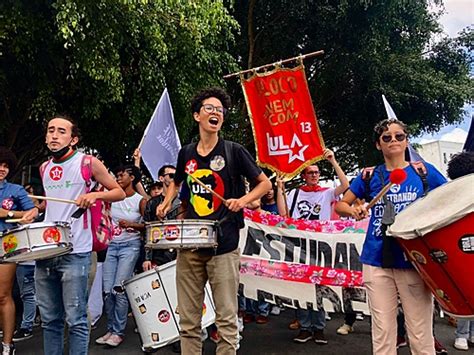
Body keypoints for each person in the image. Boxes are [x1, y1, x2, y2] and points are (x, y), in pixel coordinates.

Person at [157, 87, 271, 355]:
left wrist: (242, 201)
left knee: (226, 320)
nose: (215, 113)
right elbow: (177, 183)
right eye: (209, 108)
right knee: (188, 321)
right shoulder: (186, 153)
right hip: (191, 246)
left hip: (225, 245)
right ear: (197, 115)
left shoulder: (233, 151)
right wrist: (165, 203)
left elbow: (264, 184)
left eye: (219, 110)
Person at [335, 118, 447, 355]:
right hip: (376, 259)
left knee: (420, 331)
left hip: (414, 259)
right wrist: (354, 209)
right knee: (383, 331)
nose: (393, 141)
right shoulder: (369, 175)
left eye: (399, 136)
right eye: (387, 137)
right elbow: (341, 206)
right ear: (379, 144)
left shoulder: (424, 171)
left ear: (406, 140)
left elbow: (447, 202)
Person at [21, 115, 125, 355]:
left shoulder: (88, 163)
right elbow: (53, 205)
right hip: (46, 249)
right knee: (49, 319)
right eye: (50, 131)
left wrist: (95, 196)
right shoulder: (44, 167)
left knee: (76, 319)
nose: (54, 135)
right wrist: (35, 210)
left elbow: (118, 192)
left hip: (76, 251)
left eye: (61, 131)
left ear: (74, 139)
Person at [276, 148, 349, 345]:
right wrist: (279, 188)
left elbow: (345, 185)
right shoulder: (294, 193)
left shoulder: (326, 194)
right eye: (310, 172)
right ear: (304, 175)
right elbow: (283, 213)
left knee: (319, 286)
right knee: (301, 287)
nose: (315, 175)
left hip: (320, 246)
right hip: (299, 245)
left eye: (317, 172)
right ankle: (305, 327)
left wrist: (333, 161)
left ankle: (319, 328)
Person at [96, 165, 146, 347]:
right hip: (112, 246)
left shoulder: (140, 201)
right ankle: (110, 329)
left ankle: (118, 331)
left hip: (130, 246)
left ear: (132, 178)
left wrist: (133, 225)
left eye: (121, 175)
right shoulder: (112, 197)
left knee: (119, 289)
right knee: (107, 290)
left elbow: (149, 225)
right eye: (116, 175)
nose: (117, 178)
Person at [0, 147, 36, 355]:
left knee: (4, 295)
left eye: (6, 166)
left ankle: (7, 344)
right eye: (0, 165)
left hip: (7, 243)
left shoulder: (15, 190)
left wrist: (12, 213)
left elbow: (33, 210)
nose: (2, 169)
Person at [447, 151, 474, 351]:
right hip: (461, 244)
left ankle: (469, 335)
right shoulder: (450, 193)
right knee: (465, 289)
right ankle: (463, 334)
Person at [142, 164, 179, 271]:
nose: (174, 178)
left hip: (179, 252)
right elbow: (147, 230)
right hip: (158, 252)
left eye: (177, 176)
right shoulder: (152, 203)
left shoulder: (183, 201)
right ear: (161, 178)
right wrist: (147, 258)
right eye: (171, 175)